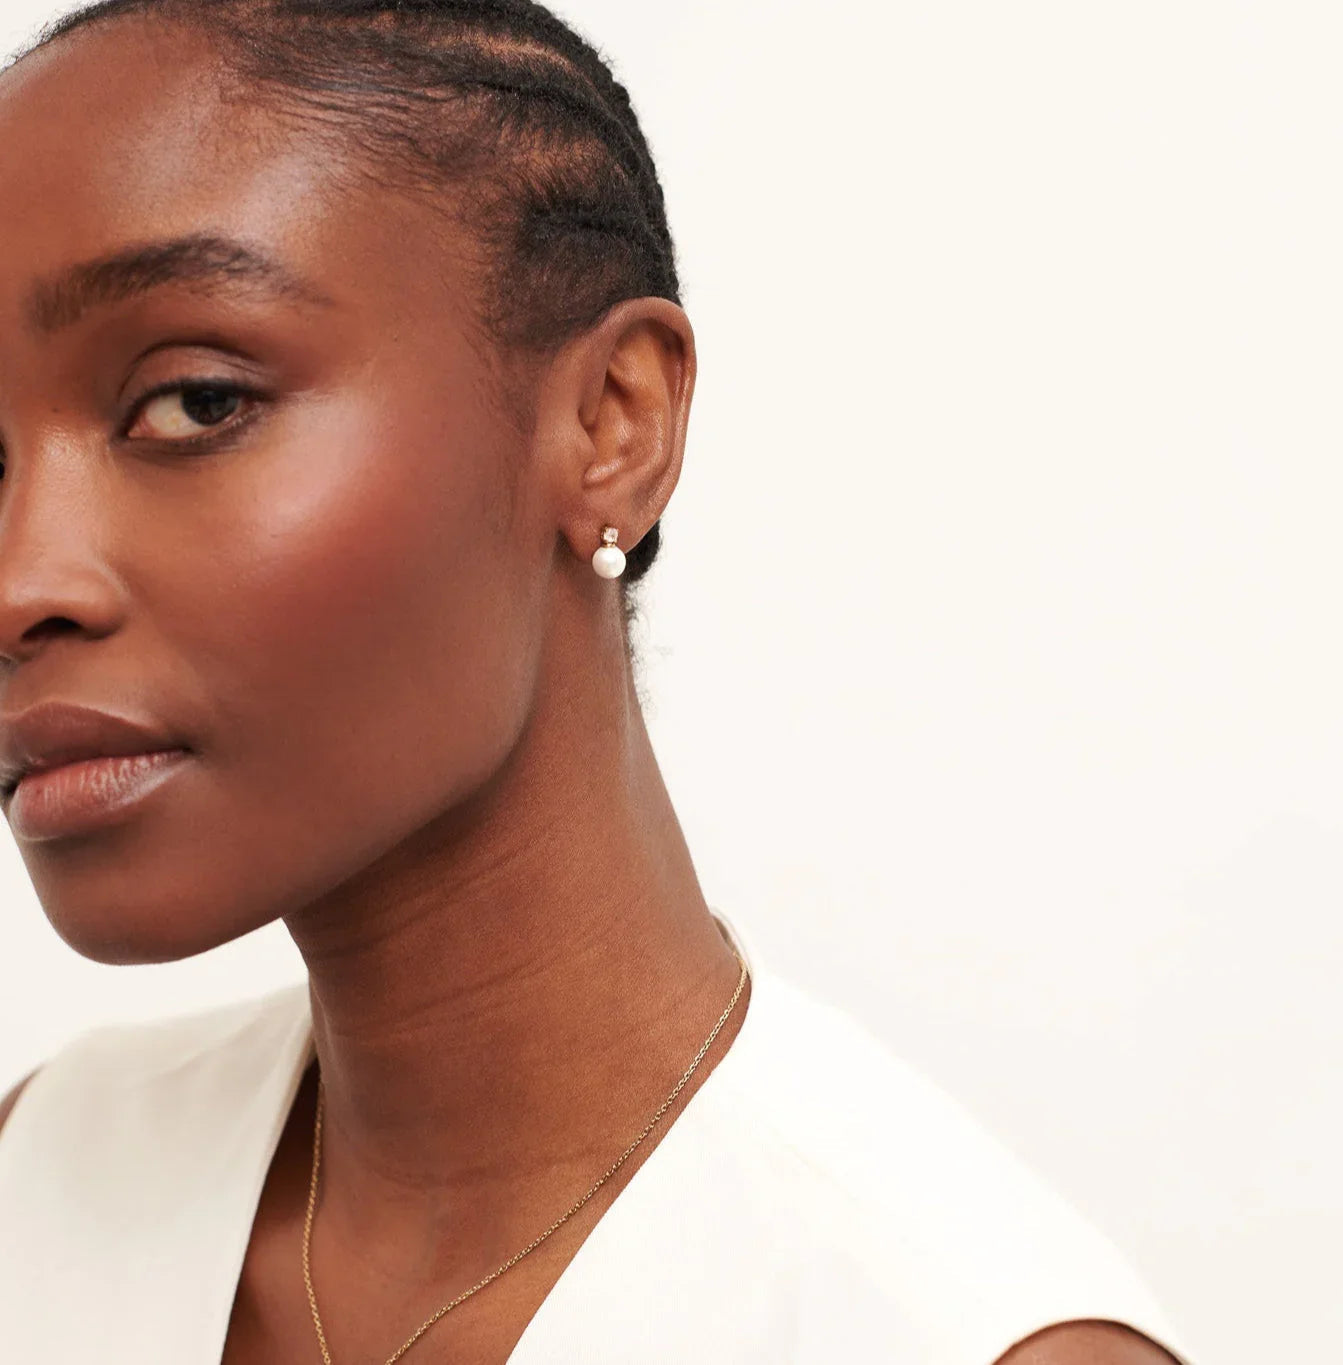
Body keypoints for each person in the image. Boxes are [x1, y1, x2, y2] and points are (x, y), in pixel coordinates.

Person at [0, 2, 1197, 1361]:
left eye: (196, 399)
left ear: (611, 422)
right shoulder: (41, 1185)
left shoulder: (934, 1327)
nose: (21, 579)